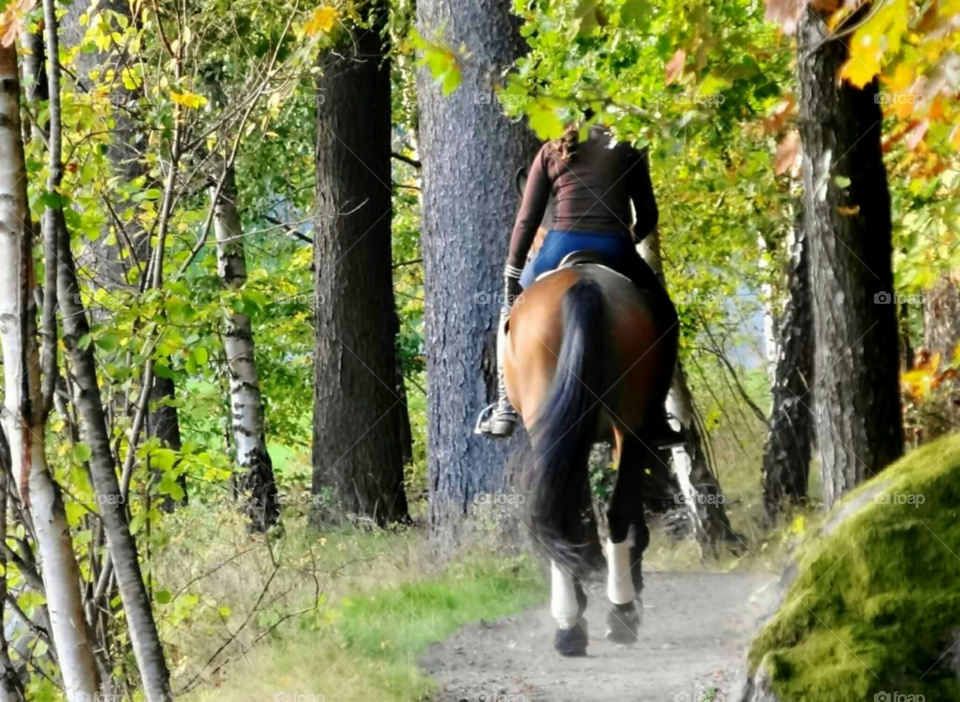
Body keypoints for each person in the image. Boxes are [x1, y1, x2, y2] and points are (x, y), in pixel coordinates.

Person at [475, 123, 683, 446]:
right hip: (616, 248)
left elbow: (527, 220)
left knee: (510, 312)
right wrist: (629, 240)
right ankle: (655, 415)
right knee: (665, 316)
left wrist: (512, 272)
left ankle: (505, 408)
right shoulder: (627, 144)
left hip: (559, 246)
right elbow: (648, 214)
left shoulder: (551, 150)